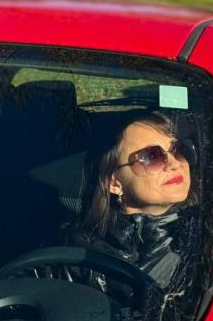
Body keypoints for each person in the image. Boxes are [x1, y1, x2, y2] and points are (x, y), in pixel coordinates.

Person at [76, 110, 200, 298]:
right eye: (151, 157)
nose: (175, 164)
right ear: (115, 183)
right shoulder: (77, 253)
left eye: (178, 149)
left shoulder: (211, 242)